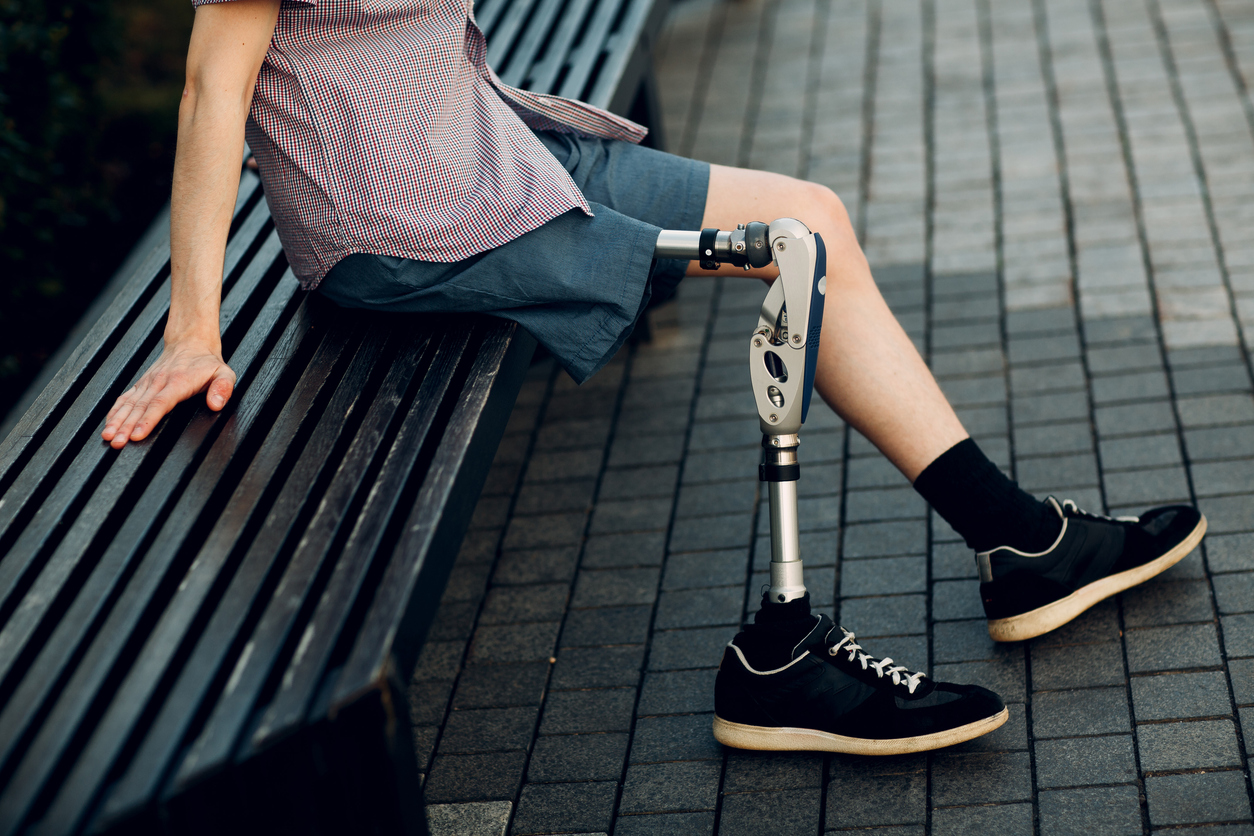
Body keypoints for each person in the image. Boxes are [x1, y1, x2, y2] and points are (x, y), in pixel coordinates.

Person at [100, 0, 1206, 755]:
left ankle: (1021, 546)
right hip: (410, 224)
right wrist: (193, 329)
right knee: (791, 255)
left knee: (810, 214)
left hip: (488, 148)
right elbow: (213, 85)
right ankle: (779, 654)